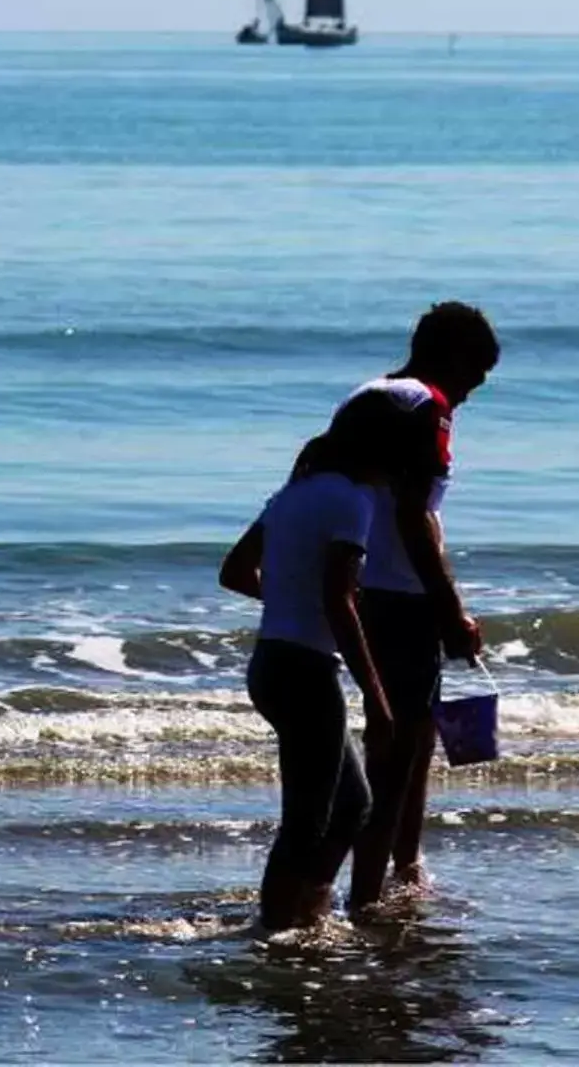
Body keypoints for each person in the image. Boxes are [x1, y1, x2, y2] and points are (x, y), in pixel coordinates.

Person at [218, 393, 408, 931]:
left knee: (351, 805)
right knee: (307, 820)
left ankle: (308, 912)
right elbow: (339, 600)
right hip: (304, 671)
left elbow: (234, 571)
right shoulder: (353, 502)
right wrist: (376, 694)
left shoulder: (292, 494)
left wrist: (287, 600)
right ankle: (275, 932)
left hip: (271, 663)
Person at [335, 301, 500, 908]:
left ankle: (404, 867)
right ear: (451, 354)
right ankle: (369, 897)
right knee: (400, 749)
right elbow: (414, 516)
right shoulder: (426, 406)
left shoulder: (370, 394)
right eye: (477, 370)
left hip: (358, 583)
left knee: (414, 736)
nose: (476, 387)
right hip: (400, 594)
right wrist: (449, 607)